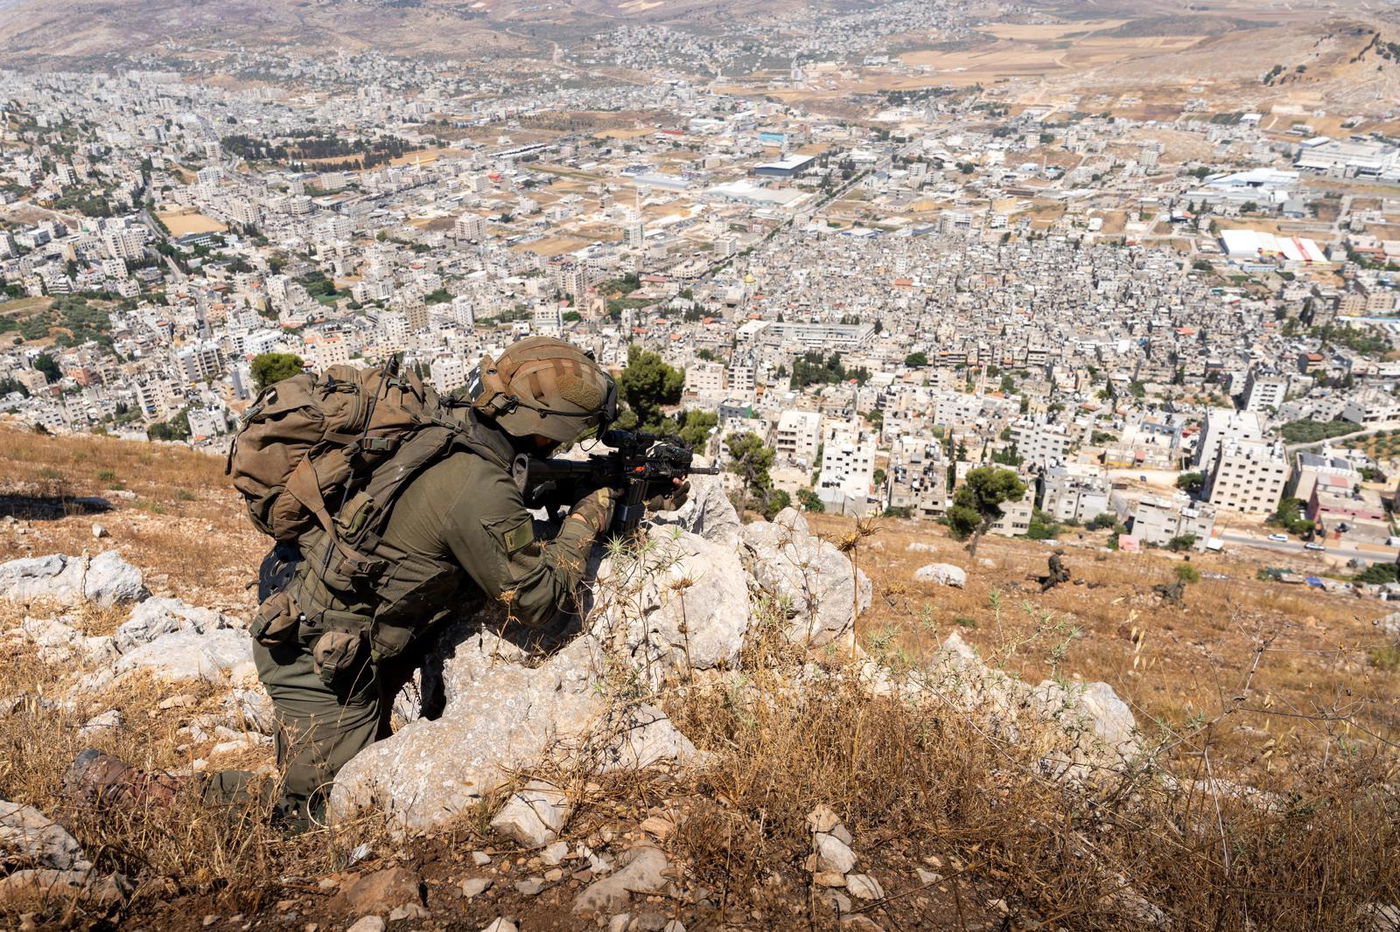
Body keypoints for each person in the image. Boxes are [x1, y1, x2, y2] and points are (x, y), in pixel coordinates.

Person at [69, 336, 675, 828]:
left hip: (335, 611)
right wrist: (591, 513)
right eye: (572, 434)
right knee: (318, 817)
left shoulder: (452, 423)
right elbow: (538, 598)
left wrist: (586, 483)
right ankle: (133, 791)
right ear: (547, 427)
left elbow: (490, 497)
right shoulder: (478, 486)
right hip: (320, 654)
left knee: (357, 770)